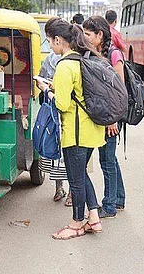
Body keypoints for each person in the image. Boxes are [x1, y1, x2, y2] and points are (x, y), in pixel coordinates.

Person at [35, 17, 105, 239]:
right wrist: (54, 86)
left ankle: (76, 224)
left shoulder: (65, 65)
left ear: (58, 39)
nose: (50, 46)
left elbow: (63, 104)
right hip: (91, 130)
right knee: (81, 174)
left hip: (75, 133)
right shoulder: (82, 60)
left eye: (49, 41)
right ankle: (93, 219)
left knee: (75, 181)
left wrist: (47, 90)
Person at [83, 16, 125, 218]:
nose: (85, 37)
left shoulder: (114, 55)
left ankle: (109, 206)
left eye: (88, 34)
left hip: (111, 117)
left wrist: (113, 120)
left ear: (100, 34)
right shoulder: (92, 54)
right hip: (100, 115)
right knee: (110, 160)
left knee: (106, 161)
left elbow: (119, 91)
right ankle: (119, 199)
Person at [38, 51, 69, 203]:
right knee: (58, 150)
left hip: (68, 112)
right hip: (56, 111)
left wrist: (46, 88)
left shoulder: (76, 58)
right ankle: (60, 189)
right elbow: (40, 78)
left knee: (70, 152)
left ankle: (71, 192)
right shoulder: (51, 58)